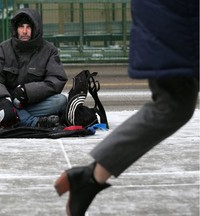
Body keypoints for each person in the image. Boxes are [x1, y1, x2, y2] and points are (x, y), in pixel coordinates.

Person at [54, 0, 199, 215]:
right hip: (178, 16)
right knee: (174, 104)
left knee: (175, 105)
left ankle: (91, 178)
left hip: (173, 16)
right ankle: (90, 178)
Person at [0, 8, 68, 128]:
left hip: (34, 103)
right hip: (9, 103)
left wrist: (27, 92)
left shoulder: (49, 50)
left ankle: (13, 117)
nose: (24, 31)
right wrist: (4, 101)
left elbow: (56, 80)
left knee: (60, 101)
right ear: (15, 29)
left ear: (36, 29)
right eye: (21, 27)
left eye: (28, 27)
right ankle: (33, 122)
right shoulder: (4, 48)